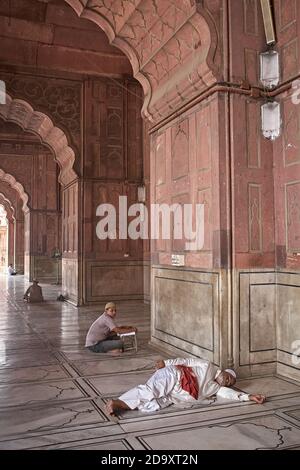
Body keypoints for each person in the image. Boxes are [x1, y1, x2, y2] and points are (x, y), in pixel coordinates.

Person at [106, 357, 266, 415]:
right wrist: (166, 363)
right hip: (175, 375)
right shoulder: (208, 366)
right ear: (224, 372)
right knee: (150, 391)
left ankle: (121, 406)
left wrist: (248, 397)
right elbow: (187, 361)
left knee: (152, 405)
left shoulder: (216, 389)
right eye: (229, 378)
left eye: (231, 383)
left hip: (176, 396)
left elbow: (231, 394)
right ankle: (117, 402)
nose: (228, 381)